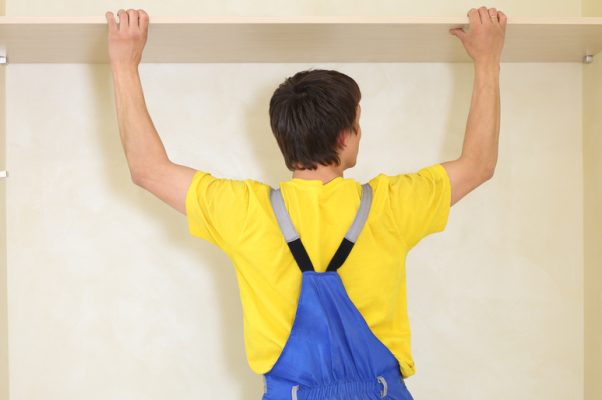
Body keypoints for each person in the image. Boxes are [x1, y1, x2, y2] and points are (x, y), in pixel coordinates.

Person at [105, 6, 506, 399]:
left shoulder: (243, 211)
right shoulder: (392, 204)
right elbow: (478, 164)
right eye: (358, 122)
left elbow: (147, 169)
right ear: (344, 137)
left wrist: (124, 63)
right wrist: (487, 60)